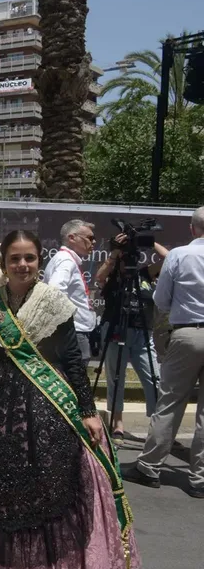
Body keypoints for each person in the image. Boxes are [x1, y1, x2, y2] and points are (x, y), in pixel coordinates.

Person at [0, 230, 139, 569]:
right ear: (3, 265)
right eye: (15, 259)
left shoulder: (55, 303)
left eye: (30, 258)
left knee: (53, 483)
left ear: (39, 262)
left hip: (47, 402)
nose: (23, 265)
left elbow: (72, 360)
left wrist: (87, 410)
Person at [124, 207, 204, 499]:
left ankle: (150, 466)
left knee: (170, 401)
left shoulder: (180, 255)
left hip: (187, 332)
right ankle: (201, 477)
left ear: (192, 228)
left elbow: (161, 299)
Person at [94, 234, 169, 442]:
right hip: (116, 329)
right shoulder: (113, 277)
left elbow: (170, 259)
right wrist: (116, 252)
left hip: (143, 334)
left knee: (155, 379)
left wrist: (149, 242)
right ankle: (117, 424)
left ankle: (158, 428)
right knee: (116, 379)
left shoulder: (145, 274)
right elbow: (99, 277)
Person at [43, 220, 98, 362]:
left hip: (75, 330)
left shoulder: (66, 259)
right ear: (72, 238)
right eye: (90, 238)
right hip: (74, 331)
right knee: (76, 378)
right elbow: (55, 291)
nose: (94, 242)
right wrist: (66, 326)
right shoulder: (66, 261)